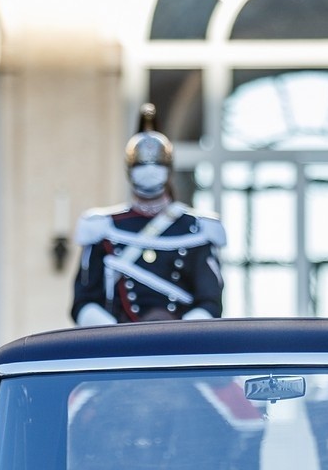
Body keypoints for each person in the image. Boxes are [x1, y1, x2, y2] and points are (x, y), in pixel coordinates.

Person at [71, 104, 226, 325]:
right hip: (119, 346)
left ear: (169, 169)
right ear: (129, 171)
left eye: (157, 165)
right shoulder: (103, 227)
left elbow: (210, 300)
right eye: (141, 166)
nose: (149, 172)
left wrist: (184, 332)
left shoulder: (196, 227)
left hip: (180, 345)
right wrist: (112, 334)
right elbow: (84, 302)